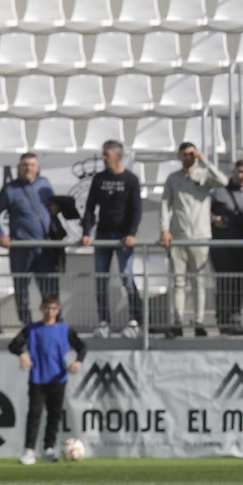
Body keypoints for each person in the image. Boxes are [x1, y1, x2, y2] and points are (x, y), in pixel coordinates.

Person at [159, 143, 227, 337]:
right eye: (185, 154)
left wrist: (205, 160)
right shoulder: (173, 179)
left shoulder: (203, 175)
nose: (189, 157)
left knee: (198, 281)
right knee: (179, 282)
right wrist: (164, 229)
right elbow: (165, 204)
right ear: (179, 156)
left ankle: (198, 321)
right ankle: (178, 321)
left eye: (192, 154)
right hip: (178, 237)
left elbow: (222, 181)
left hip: (200, 236)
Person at [9, 295, 86, 465]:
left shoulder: (65, 329)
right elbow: (14, 345)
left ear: (58, 310)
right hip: (38, 378)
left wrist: (78, 361)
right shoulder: (32, 329)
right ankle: (29, 450)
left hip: (58, 379)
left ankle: (48, 449)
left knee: (54, 416)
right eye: (47, 308)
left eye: (53, 308)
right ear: (41, 309)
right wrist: (22, 354)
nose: (50, 312)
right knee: (34, 414)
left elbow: (82, 346)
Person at [80, 141, 143, 338]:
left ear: (117, 156)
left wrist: (131, 233)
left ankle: (135, 320)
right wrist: (86, 232)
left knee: (127, 277)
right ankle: (103, 321)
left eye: (106, 155)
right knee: (101, 279)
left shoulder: (130, 179)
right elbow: (90, 207)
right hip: (103, 236)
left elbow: (136, 210)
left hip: (123, 238)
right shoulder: (99, 179)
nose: (103, 158)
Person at [0, 153, 56, 325]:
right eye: (25, 164)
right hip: (21, 249)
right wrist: (0, 235)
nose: (29, 168)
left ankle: (54, 324)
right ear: (19, 168)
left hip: (44, 249)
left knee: (49, 289)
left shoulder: (45, 185)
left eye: (32, 165)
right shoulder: (11, 189)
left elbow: (53, 209)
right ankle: (26, 326)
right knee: (21, 290)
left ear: (38, 168)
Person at [211, 158, 243, 336]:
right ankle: (223, 322)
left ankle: (235, 320)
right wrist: (214, 220)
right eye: (240, 172)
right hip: (222, 248)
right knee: (224, 284)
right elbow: (205, 213)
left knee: (240, 285)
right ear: (233, 173)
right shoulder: (219, 194)